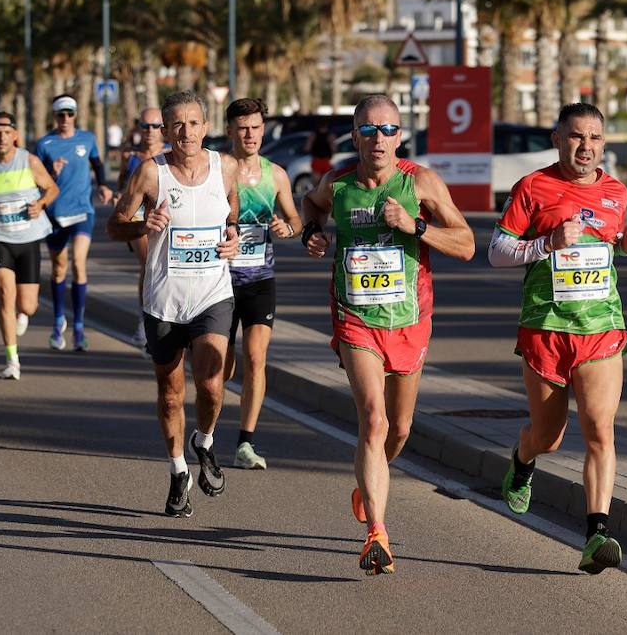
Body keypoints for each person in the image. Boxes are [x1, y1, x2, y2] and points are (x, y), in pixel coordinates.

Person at [300, 93, 474, 575]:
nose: (380, 139)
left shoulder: (420, 182)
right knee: (373, 421)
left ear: (401, 135)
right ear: (354, 136)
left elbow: (466, 243)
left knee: (398, 430)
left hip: (409, 319)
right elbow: (309, 207)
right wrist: (311, 234)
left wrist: (415, 225)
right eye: (369, 129)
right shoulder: (337, 184)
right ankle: (377, 532)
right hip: (355, 317)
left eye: (389, 129)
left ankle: (369, 479)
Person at [489, 101, 627, 576]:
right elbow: (497, 252)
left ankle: (597, 530)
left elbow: (611, 238)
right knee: (550, 437)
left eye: (595, 138)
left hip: (600, 327)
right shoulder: (533, 187)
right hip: (546, 327)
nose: (586, 147)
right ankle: (522, 458)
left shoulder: (615, 191)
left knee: (600, 428)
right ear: (558, 139)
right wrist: (547, 244)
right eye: (576, 137)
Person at [108, 90, 241, 518]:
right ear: (166, 131)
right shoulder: (151, 173)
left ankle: (204, 439)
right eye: (177, 125)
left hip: (212, 295)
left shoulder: (227, 167)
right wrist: (141, 225)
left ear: (206, 127)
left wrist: (234, 234)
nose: (187, 132)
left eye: (195, 123)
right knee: (170, 394)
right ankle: (178, 468)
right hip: (164, 300)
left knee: (212, 383)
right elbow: (115, 225)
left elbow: (232, 210)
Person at [223, 98, 303, 471]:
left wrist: (286, 229)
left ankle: (245, 443)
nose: (250, 134)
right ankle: (207, 429)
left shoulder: (277, 175)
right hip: (218, 282)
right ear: (230, 131)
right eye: (242, 128)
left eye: (255, 127)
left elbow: (295, 221)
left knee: (256, 358)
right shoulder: (218, 170)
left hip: (259, 280)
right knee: (219, 369)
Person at [0, 111, 58, 379]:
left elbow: (52, 189)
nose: (1, 137)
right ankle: (12, 359)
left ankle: (23, 313)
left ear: (15, 135)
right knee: (5, 295)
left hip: (28, 239)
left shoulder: (28, 161)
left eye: (7, 132)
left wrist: (40, 204)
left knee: (28, 306)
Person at [36, 95, 113, 351]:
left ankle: (79, 326)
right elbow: (36, 180)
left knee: (79, 264)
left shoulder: (87, 139)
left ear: (76, 115)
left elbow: (97, 163)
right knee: (59, 269)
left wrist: (102, 185)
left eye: (70, 114)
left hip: (83, 210)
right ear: (55, 117)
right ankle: (59, 321)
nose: (66, 119)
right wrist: (51, 171)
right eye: (61, 115)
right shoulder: (45, 144)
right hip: (55, 212)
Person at [119, 108, 165, 347]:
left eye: (156, 126)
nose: (150, 131)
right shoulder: (131, 157)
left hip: (165, 216)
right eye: (146, 126)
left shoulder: (171, 154)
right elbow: (122, 187)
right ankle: (144, 320)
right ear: (138, 129)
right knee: (149, 263)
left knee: (161, 265)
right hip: (138, 217)